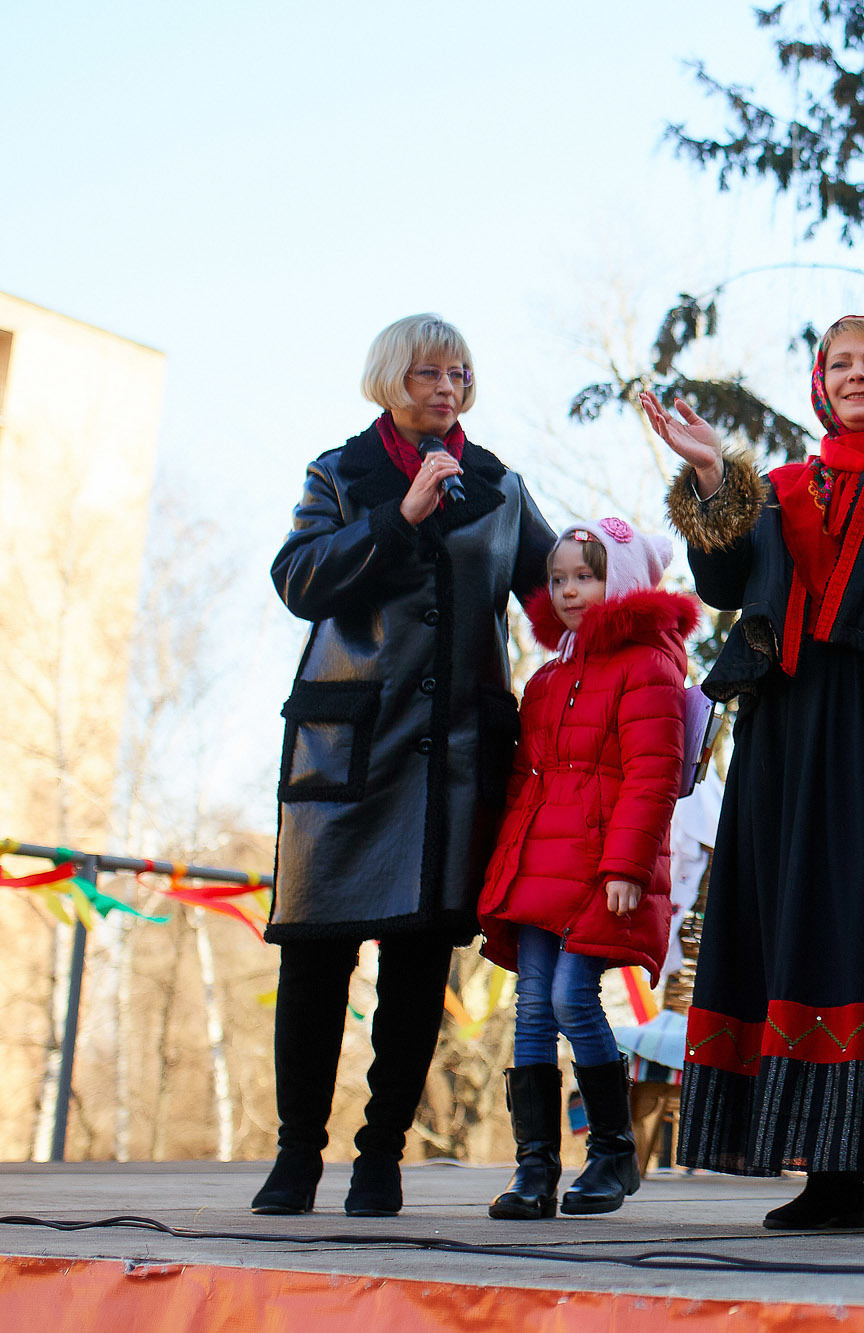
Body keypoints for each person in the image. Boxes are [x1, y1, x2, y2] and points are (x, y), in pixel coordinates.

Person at [644, 315, 864, 1235]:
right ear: (820, 384)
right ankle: (833, 1175)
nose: (858, 374)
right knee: (813, 929)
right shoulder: (779, 489)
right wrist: (713, 476)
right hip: (795, 742)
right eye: (842, 363)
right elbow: (724, 586)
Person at [258, 314, 557, 1216]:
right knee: (315, 955)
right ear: (392, 378)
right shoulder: (339, 473)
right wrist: (399, 518)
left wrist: (638, 590)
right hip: (348, 749)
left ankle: (380, 1155)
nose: (447, 388)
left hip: (455, 758)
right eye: (429, 373)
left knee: (421, 960)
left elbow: (561, 592)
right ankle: (296, 1155)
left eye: (459, 373)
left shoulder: (499, 487)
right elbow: (299, 578)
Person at [478, 519, 698, 1219]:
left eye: (586, 576)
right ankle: (534, 1166)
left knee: (574, 997)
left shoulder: (648, 667)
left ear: (623, 580)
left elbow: (652, 774)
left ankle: (612, 1150)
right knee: (531, 1008)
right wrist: (504, 866)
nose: (569, 590)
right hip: (540, 862)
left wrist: (626, 865)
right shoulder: (547, 679)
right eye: (558, 578)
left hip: (604, 863)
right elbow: (525, 779)